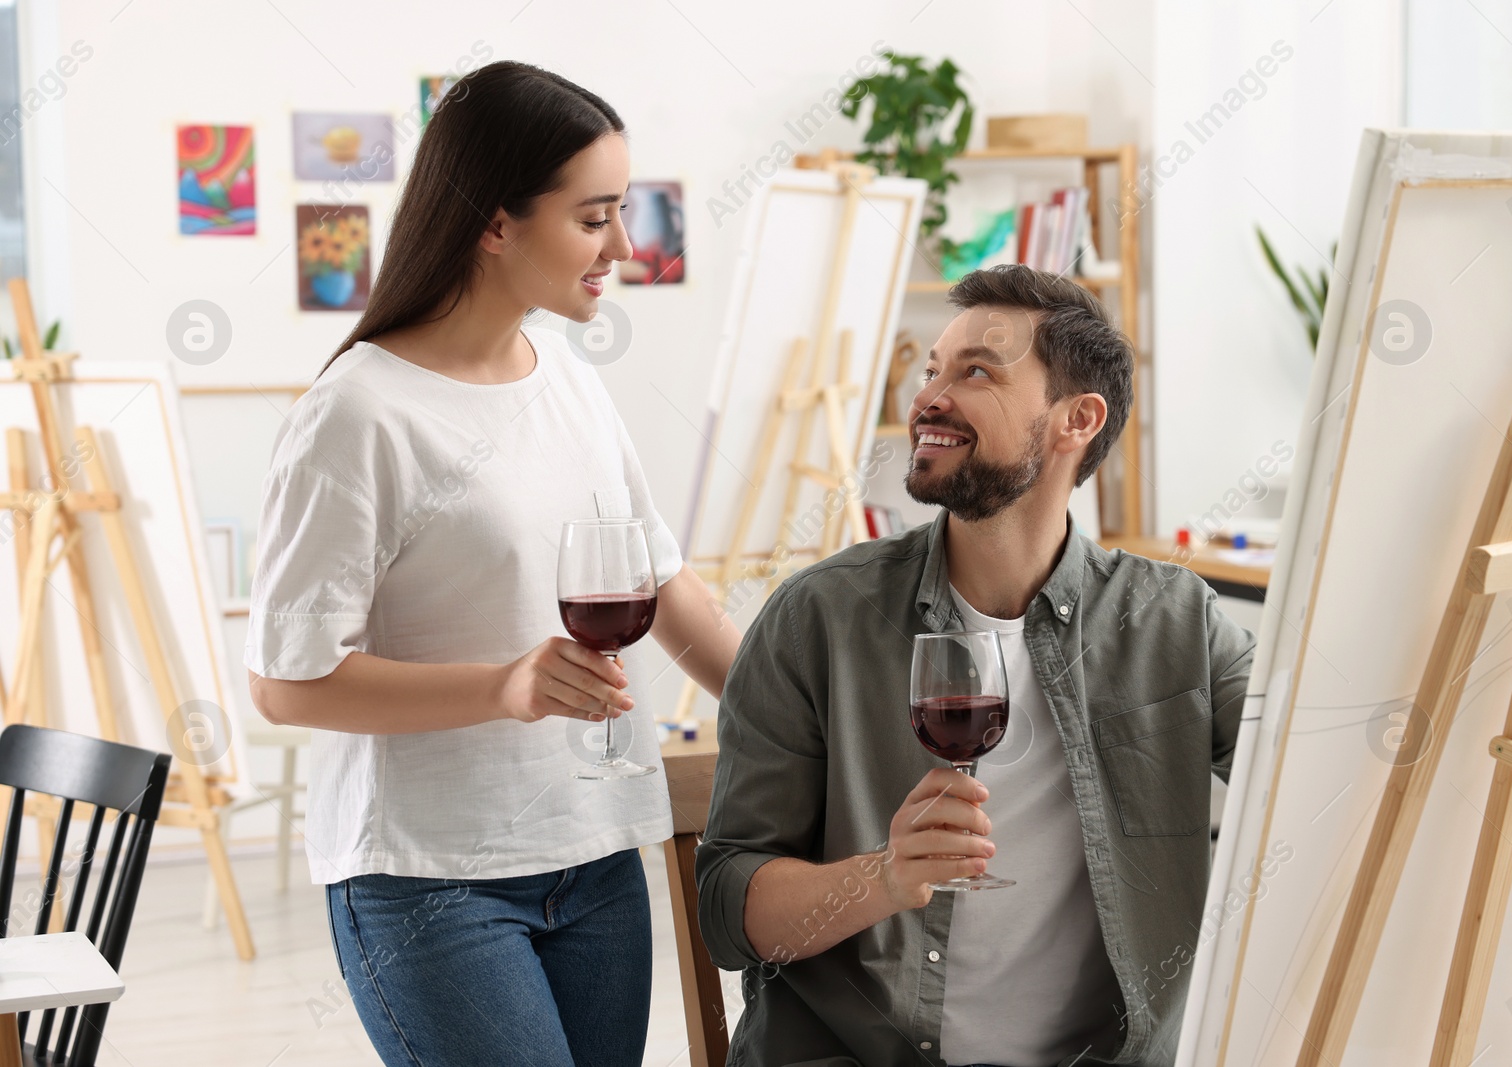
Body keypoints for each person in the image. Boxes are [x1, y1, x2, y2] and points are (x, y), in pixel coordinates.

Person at [245, 61, 739, 1067]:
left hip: (596, 852)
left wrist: (808, 712)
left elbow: (666, 584)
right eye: (594, 216)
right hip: (427, 879)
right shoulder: (357, 414)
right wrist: (504, 685)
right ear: (494, 221)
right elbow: (287, 682)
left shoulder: (566, 375)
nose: (625, 246)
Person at [696, 264, 1255, 1067]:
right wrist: (884, 877)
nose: (927, 398)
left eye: (976, 372)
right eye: (931, 372)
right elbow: (725, 907)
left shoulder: (1174, 622)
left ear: (1077, 420)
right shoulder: (818, 617)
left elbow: (1310, 766)